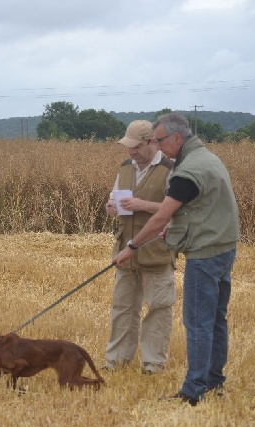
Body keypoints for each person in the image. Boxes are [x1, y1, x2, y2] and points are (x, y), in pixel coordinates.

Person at [114, 112, 240, 406]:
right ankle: (214, 382)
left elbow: (160, 216)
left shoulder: (187, 171)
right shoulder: (208, 158)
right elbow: (201, 207)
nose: (157, 147)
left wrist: (131, 246)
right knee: (216, 320)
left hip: (205, 252)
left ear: (176, 138)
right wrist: (176, 229)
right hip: (224, 246)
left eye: (159, 141)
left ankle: (193, 391)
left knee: (197, 322)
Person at [103, 120, 176, 374]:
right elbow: (112, 201)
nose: (131, 152)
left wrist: (143, 205)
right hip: (125, 251)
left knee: (158, 308)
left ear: (151, 143)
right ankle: (116, 361)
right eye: (128, 147)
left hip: (156, 251)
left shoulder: (171, 169)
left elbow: (178, 210)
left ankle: (153, 364)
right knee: (122, 308)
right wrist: (110, 208)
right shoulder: (124, 168)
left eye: (136, 147)